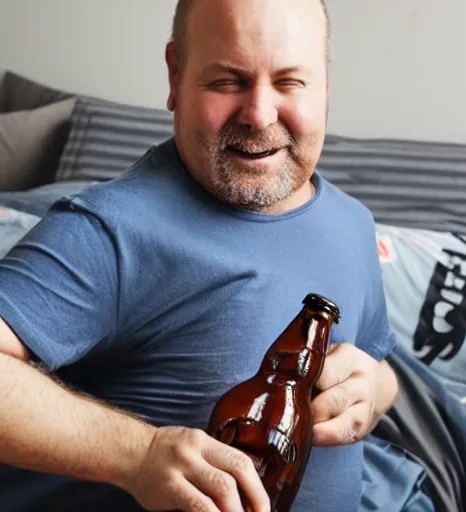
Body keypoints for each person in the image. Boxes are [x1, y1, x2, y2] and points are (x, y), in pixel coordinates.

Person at [0, 0, 402, 510]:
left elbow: (377, 363)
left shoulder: (353, 224)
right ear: (175, 75)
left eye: (288, 82)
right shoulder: (113, 230)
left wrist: (375, 392)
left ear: (325, 83)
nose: (258, 114)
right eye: (227, 81)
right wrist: (139, 455)